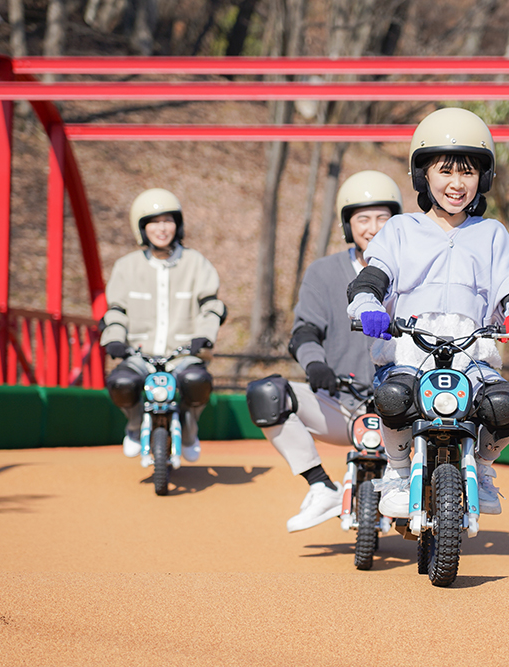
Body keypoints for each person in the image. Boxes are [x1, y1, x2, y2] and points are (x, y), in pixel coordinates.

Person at [346, 107, 509, 519]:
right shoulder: (399, 230)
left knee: (506, 404)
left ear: (482, 178)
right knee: (393, 396)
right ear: (424, 175)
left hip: (473, 355)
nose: (457, 184)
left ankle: (483, 469)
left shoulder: (491, 234)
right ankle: (399, 472)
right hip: (409, 350)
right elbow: (373, 277)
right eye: (446, 172)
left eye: (468, 173)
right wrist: (368, 308)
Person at [246, 170, 403, 532]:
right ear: (348, 225)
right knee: (267, 394)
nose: (374, 227)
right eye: (362, 218)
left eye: (383, 217)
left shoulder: (414, 271)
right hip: (342, 401)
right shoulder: (322, 272)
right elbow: (304, 332)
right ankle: (321, 486)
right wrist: (316, 365)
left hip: (403, 408)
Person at [100, 188, 227, 463]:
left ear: (178, 224)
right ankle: (135, 425)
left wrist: (204, 337)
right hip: (139, 354)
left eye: (167, 220)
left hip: (182, 353)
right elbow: (116, 310)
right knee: (121, 383)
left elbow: (211, 306)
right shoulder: (126, 266)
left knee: (197, 381)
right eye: (153, 222)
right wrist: (114, 338)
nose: (161, 228)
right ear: (142, 227)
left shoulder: (197, 263)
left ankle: (190, 428)